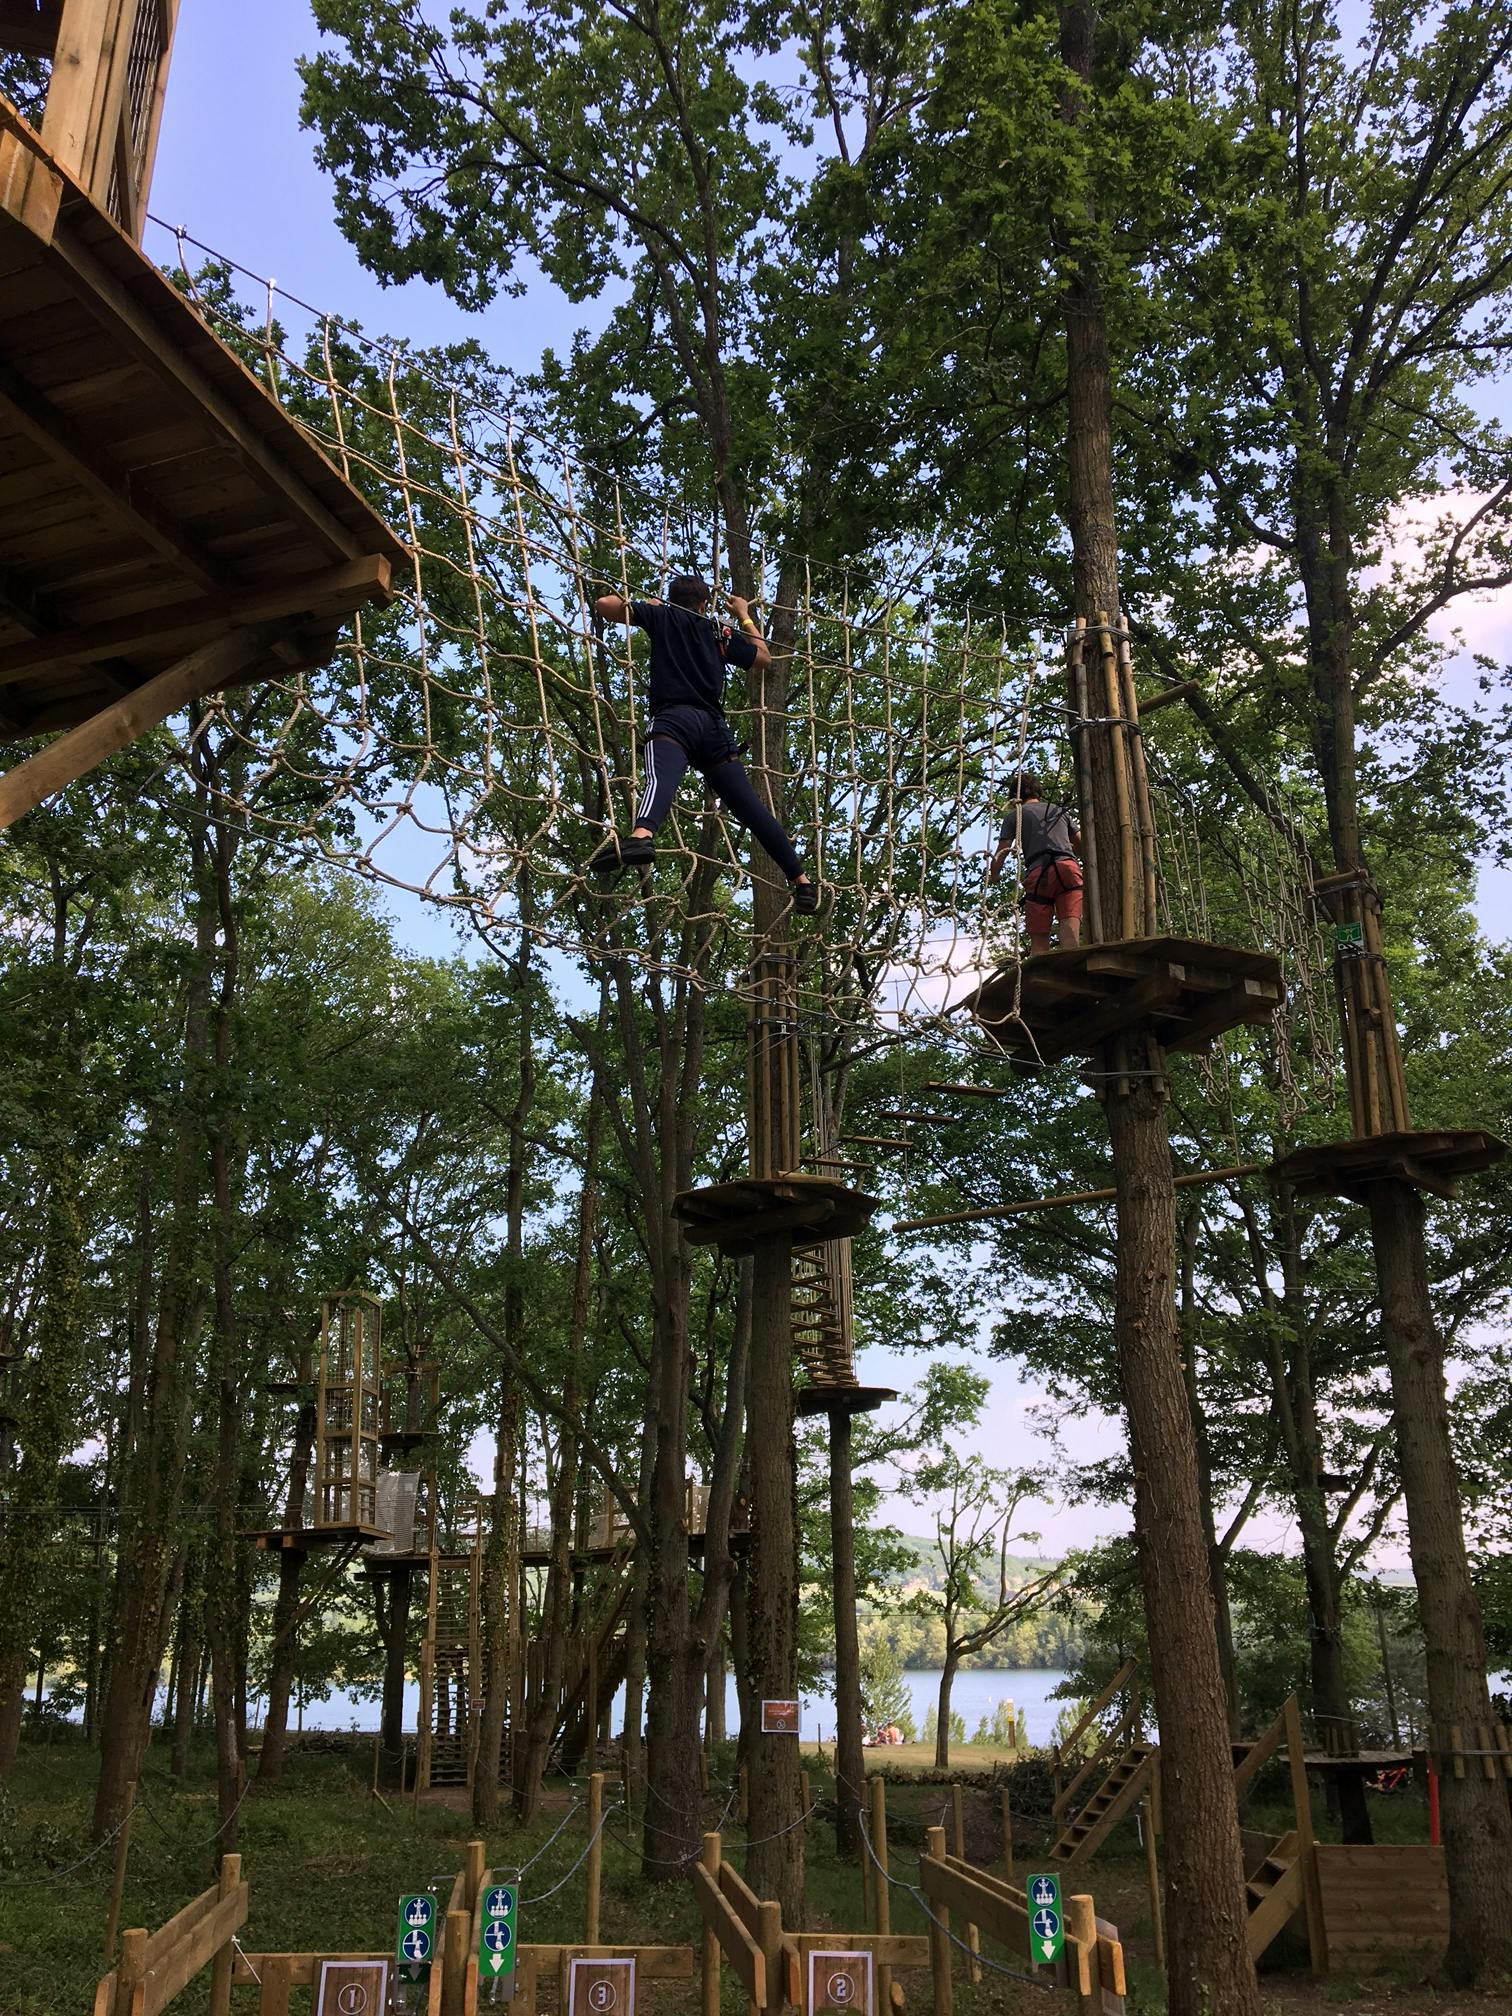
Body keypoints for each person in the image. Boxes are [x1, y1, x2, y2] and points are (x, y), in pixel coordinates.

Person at [586, 576, 817, 914]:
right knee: (751, 810)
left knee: (659, 777)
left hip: (674, 719)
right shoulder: (717, 632)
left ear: (671, 598)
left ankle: (641, 836)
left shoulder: (663, 616)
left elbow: (603, 606)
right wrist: (743, 615)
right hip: (713, 729)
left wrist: (647, 607)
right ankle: (802, 882)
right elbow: (764, 657)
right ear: (705, 605)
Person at [989, 771, 1083, 955]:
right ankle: (1072, 965)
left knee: (1039, 940)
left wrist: (994, 874)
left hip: (1040, 874)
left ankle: (1044, 977)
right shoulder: (1058, 810)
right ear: (1038, 792)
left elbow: (1003, 850)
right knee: (1070, 927)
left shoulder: (1015, 816)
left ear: (1014, 797)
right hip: (1068, 868)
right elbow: (1080, 844)